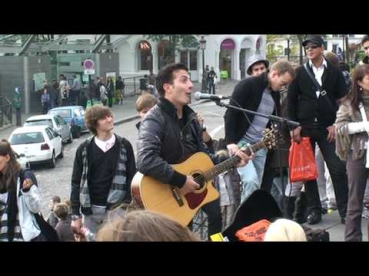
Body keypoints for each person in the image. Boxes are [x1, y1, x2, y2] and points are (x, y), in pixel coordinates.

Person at [136, 63, 251, 237]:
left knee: (213, 217)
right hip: (166, 197)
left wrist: (234, 160)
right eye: (184, 80)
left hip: (189, 196)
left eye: (190, 79)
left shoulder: (191, 120)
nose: (191, 85)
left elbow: (206, 158)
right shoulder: (154, 119)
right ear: (168, 88)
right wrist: (181, 180)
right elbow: (145, 159)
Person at [287, 35, 349, 225]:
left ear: (321, 49)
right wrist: (293, 125)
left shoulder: (335, 72)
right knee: (308, 172)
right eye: (307, 47)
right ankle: (314, 211)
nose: (310, 50)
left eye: (313, 47)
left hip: (326, 128)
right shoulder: (300, 72)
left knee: (337, 169)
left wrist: (337, 124)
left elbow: (344, 101)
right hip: (304, 128)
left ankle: (345, 211)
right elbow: (291, 100)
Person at [225, 60, 295, 203]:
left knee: (257, 188)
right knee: (251, 181)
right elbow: (231, 113)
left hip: (260, 146)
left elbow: (269, 119)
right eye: (283, 83)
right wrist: (231, 142)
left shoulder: (274, 93)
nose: (283, 87)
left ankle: (252, 221)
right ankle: (244, 221)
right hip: (242, 143)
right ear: (274, 74)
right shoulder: (248, 85)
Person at [70, 105, 136, 239]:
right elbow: (76, 182)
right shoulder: (83, 149)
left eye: (110, 115)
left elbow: (132, 177)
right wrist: (75, 215)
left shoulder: (125, 145)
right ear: (94, 123)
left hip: (117, 210)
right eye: (104, 117)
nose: (110, 119)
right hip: (90, 212)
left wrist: (125, 205)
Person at [335, 64, 369, 241]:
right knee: (355, 200)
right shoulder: (350, 102)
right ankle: (352, 238)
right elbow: (339, 127)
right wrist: (363, 126)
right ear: (359, 82)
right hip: (358, 154)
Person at [0, 139, 43, 241]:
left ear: (7, 157)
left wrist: (28, 192)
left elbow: (36, 208)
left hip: (23, 236)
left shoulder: (24, 176)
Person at [97, 209, 201, 241]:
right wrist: (181, 180)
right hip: (175, 197)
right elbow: (145, 162)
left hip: (206, 195)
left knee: (214, 216)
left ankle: (217, 239)